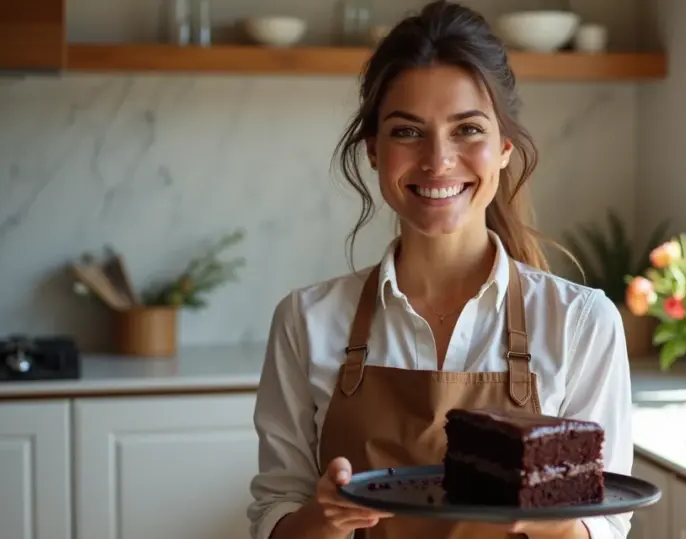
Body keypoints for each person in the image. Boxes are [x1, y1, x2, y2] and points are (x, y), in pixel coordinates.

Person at [246, 1, 633, 538]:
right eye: (407, 132)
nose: (437, 161)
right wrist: (327, 517)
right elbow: (275, 521)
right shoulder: (306, 321)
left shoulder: (582, 322)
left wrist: (554, 524)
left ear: (503, 147)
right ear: (374, 151)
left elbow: (607, 528)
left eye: (467, 130)